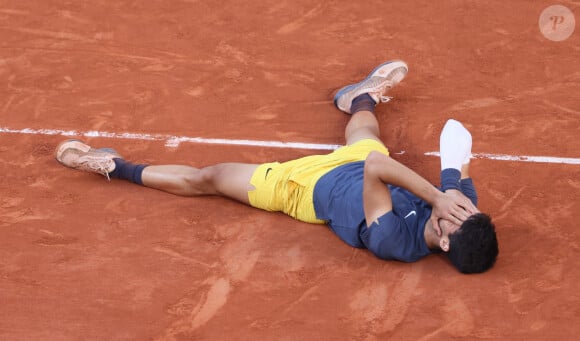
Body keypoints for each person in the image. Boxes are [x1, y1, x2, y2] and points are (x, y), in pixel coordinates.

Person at [55, 60, 498, 273]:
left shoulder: (393, 241)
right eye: (465, 211)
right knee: (363, 129)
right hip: (360, 165)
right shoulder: (463, 213)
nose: (459, 210)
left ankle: (115, 165)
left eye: (455, 218)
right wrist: (452, 183)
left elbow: (378, 170)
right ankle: (358, 95)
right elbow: (456, 133)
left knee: (209, 177)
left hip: (301, 190)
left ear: (442, 241)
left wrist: (440, 193)